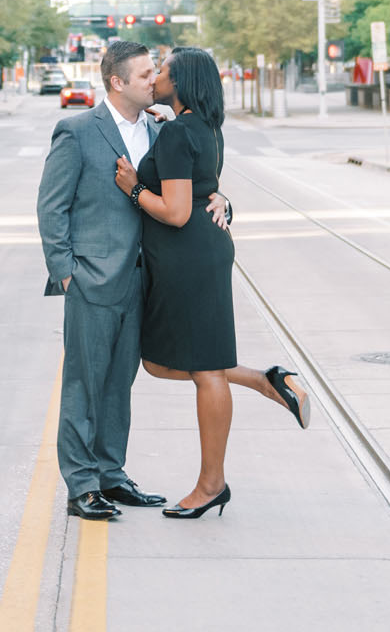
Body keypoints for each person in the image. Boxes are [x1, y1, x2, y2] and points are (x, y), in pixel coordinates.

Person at [36, 40, 230, 522]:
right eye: (146, 74)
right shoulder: (78, 131)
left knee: (121, 382)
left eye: (156, 72)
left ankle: (111, 474)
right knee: (85, 382)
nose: (154, 80)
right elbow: (51, 207)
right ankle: (82, 484)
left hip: (149, 281)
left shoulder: (162, 129)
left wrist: (222, 199)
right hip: (93, 279)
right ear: (118, 82)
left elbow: (191, 187)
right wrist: (65, 272)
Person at [115, 46, 310, 519]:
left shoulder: (180, 133)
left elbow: (178, 212)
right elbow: (201, 187)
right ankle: (268, 382)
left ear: (179, 83)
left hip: (188, 258)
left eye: (162, 71)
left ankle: (211, 485)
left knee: (203, 371)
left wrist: (134, 188)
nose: (155, 76)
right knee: (161, 364)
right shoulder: (202, 128)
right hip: (197, 255)